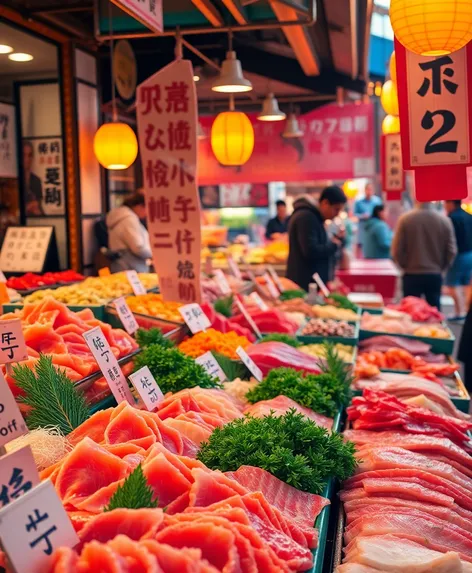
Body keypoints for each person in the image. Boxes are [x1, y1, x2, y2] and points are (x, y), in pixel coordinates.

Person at [392, 202, 457, 310]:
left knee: (410, 312)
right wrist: (442, 267)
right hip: (434, 273)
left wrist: (404, 265)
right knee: (434, 313)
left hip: (411, 273)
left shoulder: (405, 219)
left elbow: (396, 249)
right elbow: (452, 250)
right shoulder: (444, 221)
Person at [287, 186, 347, 291]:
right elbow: (310, 251)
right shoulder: (307, 217)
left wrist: (337, 240)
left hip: (311, 284)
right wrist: (334, 245)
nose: (337, 214)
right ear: (325, 203)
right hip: (306, 286)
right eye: (336, 209)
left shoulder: (314, 217)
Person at [106, 192, 152, 273]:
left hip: (120, 265)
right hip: (131, 267)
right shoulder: (129, 220)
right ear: (139, 206)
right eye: (147, 208)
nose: (147, 213)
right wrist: (155, 255)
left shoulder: (120, 217)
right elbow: (138, 247)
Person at [444, 200, 472, 319]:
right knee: (466, 283)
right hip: (470, 253)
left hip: (458, 254)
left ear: (451, 203)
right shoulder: (469, 215)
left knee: (451, 284)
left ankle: (459, 312)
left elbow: (449, 241)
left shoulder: (451, 218)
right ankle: (466, 311)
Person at [354, 183, 382, 251]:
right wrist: (362, 216)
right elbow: (355, 214)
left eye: (370, 189)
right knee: (363, 245)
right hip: (363, 226)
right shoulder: (359, 202)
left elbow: (381, 213)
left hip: (374, 226)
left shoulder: (377, 201)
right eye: (368, 189)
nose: (369, 191)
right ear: (365, 190)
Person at [23, 141, 44, 216]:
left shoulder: (36, 180)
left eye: (29, 155)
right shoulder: (13, 181)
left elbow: (39, 205)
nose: (27, 159)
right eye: (24, 155)